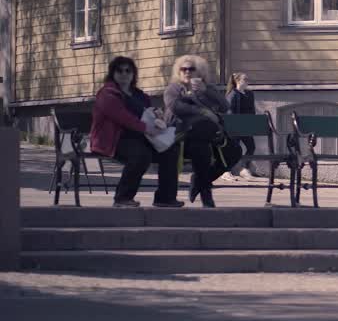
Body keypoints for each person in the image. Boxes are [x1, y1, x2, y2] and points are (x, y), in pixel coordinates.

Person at [89, 56, 183, 208]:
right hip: (114, 140)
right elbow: (122, 117)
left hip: (139, 137)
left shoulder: (139, 95)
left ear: (133, 74)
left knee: (170, 149)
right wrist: (147, 128)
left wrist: (156, 114)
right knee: (140, 154)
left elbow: (146, 113)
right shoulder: (107, 94)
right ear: (112, 73)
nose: (124, 74)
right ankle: (122, 198)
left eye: (128, 70)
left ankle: (165, 198)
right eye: (119, 70)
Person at [164, 54, 230, 208]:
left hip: (202, 138)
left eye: (191, 69)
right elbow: (176, 107)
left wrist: (206, 90)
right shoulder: (173, 88)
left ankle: (199, 182)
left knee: (233, 152)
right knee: (202, 150)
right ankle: (207, 197)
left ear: (199, 72)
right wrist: (203, 112)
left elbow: (225, 106)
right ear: (178, 72)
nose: (187, 72)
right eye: (183, 69)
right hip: (179, 137)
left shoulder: (206, 88)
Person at [225, 72, 259, 179]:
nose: (247, 81)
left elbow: (252, 110)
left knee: (251, 147)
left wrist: (252, 123)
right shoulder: (233, 94)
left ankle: (244, 169)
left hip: (246, 126)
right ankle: (226, 171)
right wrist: (234, 127)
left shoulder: (249, 94)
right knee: (234, 150)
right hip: (235, 127)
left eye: (248, 79)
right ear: (238, 81)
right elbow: (230, 112)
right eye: (245, 79)